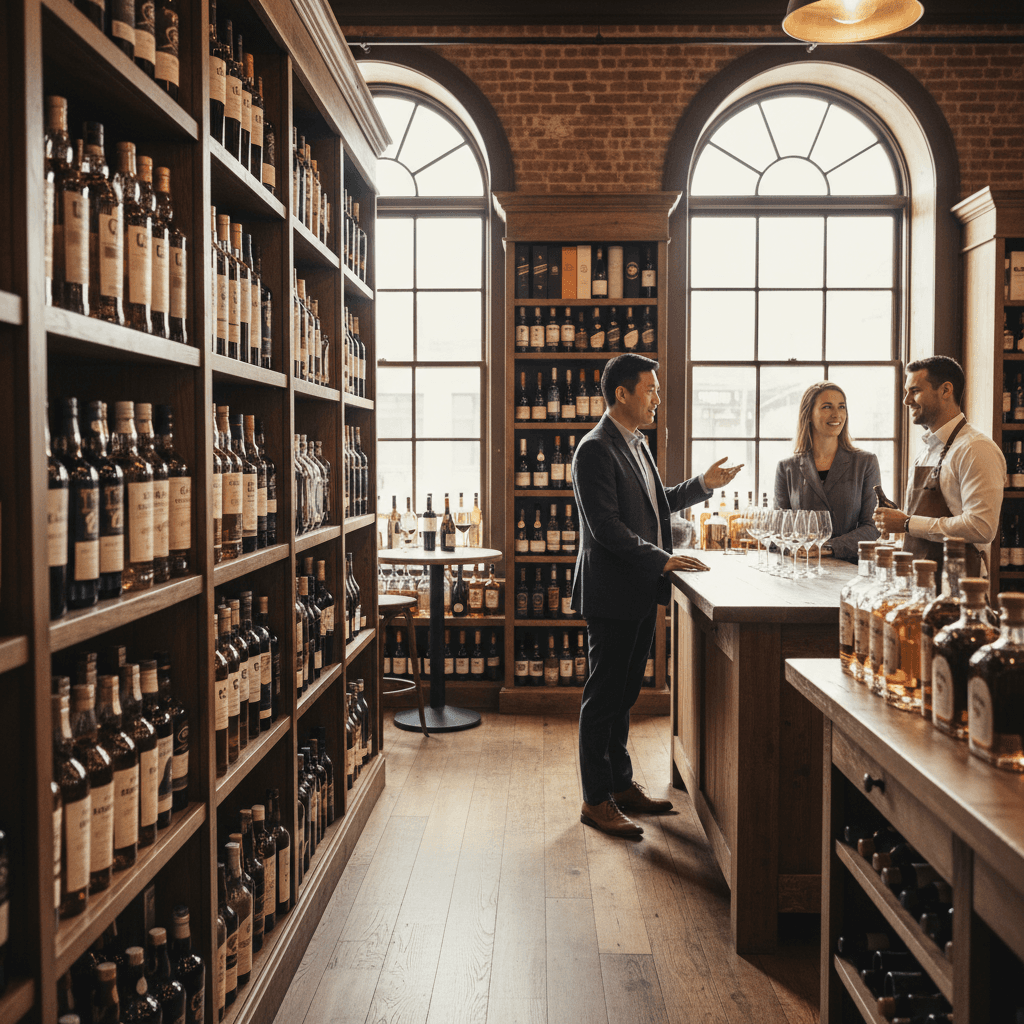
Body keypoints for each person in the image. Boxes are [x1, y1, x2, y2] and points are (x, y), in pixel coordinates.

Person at [571, 353, 742, 838]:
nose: (657, 398)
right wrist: (662, 559)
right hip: (610, 593)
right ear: (621, 393)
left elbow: (655, 502)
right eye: (650, 389)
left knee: (624, 696)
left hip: (639, 590)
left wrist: (701, 486)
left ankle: (620, 785)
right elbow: (605, 527)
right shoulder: (594, 449)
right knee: (603, 698)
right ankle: (594, 800)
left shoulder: (636, 443)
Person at [873, 355, 1004, 577]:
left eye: (914, 391)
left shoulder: (976, 448)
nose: (906, 400)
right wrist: (899, 525)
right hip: (918, 581)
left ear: (945, 391)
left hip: (957, 585)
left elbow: (982, 527)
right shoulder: (926, 449)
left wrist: (907, 523)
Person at [774, 381, 881, 562]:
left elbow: (873, 527)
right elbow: (777, 531)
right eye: (826, 407)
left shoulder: (865, 462)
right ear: (808, 415)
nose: (836, 414)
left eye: (841, 407)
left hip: (850, 569)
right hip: (801, 570)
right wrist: (794, 548)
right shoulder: (787, 468)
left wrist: (827, 548)